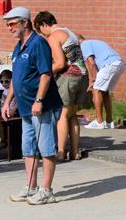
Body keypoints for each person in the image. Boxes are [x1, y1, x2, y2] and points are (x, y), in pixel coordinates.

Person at [2, 7, 63, 205]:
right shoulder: (19, 46)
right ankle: (31, 186)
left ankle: (47, 191)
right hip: (25, 106)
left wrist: (39, 100)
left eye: (12, 24)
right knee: (28, 147)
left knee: (46, 147)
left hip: (42, 106)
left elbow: (46, 74)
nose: (9, 28)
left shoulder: (38, 44)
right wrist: (8, 101)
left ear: (25, 23)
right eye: (7, 24)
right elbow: (16, 77)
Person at [33, 12, 88, 161]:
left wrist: (43, 74)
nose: (43, 35)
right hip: (83, 76)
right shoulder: (69, 32)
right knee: (72, 115)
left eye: (41, 31)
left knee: (63, 115)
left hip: (69, 77)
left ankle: (61, 152)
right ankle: (74, 151)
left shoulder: (54, 36)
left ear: (44, 25)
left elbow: (60, 63)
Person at [79, 35, 126, 130]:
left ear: (78, 42)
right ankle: (109, 122)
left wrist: (93, 81)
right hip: (120, 64)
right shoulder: (94, 42)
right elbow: (94, 65)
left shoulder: (84, 44)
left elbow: (91, 63)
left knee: (96, 91)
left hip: (109, 65)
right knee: (105, 92)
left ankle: (99, 122)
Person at [0, 69, 17, 149]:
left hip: (11, 112)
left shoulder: (14, 89)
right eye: (2, 82)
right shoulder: (5, 90)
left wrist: (13, 111)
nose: (4, 84)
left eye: (6, 81)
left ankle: (3, 140)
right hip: (3, 111)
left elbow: (17, 102)